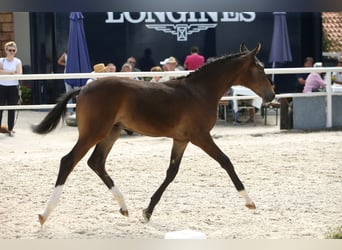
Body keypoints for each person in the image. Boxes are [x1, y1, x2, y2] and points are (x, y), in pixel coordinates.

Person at [0, 41, 23, 137]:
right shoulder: (1, 60)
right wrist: (11, 72)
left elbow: (19, 73)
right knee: (0, 108)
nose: (12, 52)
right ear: (6, 50)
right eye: (10, 50)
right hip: (2, 86)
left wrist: (6, 72)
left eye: (13, 50)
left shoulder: (17, 61)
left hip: (13, 87)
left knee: (11, 108)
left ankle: (10, 129)